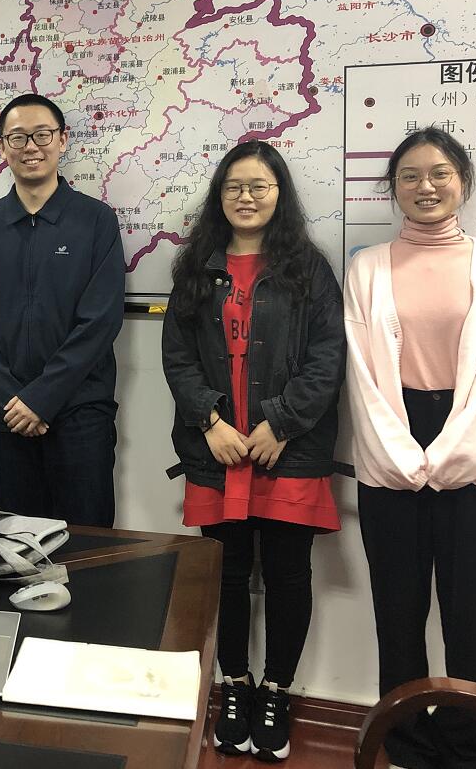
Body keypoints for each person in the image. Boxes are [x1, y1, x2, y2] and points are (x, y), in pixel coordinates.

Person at [344, 126, 476, 769]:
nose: (426, 186)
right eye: (410, 176)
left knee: (470, 614)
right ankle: (407, 746)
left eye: (440, 173)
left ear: (463, 182)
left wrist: (453, 456)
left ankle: (461, 748)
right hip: (391, 446)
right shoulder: (366, 266)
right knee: (397, 612)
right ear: (393, 188)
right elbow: (363, 374)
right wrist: (401, 456)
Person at [161, 140, 345, 762]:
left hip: (287, 451)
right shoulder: (197, 267)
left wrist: (281, 423)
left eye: (259, 186)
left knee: (289, 575)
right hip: (217, 450)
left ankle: (277, 692)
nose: (246, 197)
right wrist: (209, 421)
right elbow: (177, 357)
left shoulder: (308, 268)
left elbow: (327, 357)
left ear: (278, 195)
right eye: (234, 186)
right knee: (228, 574)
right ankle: (234, 685)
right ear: (220, 195)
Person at [0, 93, 125, 527]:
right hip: (9, 415)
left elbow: (100, 321)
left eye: (42, 135)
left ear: (62, 140)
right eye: (17, 137)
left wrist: (41, 398)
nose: (30, 147)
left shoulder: (96, 221)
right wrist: (14, 400)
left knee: (88, 544)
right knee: (19, 544)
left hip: (80, 411)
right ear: (1, 147)